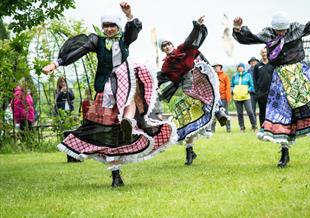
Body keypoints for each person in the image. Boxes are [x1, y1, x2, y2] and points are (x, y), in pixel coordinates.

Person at [42, 2, 175, 187]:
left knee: (129, 98)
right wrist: (57, 63)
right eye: (106, 26)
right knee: (110, 134)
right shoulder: (98, 41)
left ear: (118, 26)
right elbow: (79, 48)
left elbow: (133, 31)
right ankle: (115, 175)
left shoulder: (124, 40)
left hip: (125, 83)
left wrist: (129, 15)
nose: (109, 29)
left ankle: (127, 120)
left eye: (112, 25)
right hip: (105, 90)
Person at [232, 1, 310, 168]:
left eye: (283, 29)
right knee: (283, 115)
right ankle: (284, 153)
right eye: (279, 30)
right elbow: (250, 38)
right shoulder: (268, 34)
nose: (282, 32)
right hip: (280, 77)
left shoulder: (296, 29)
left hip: (299, 72)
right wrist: (238, 29)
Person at [158, 16, 223, 165]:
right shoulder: (167, 65)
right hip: (188, 92)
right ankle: (189, 152)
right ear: (162, 49)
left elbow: (190, 39)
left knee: (210, 100)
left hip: (201, 84)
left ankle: (220, 112)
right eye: (163, 46)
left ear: (172, 44)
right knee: (187, 121)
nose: (167, 47)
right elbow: (165, 79)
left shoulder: (183, 49)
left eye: (168, 44)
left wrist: (197, 26)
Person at [231, 63, 257, 132]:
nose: (240, 68)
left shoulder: (248, 75)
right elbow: (232, 85)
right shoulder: (234, 76)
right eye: (239, 67)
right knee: (239, 113)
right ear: (237, 68)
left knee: (250, 112)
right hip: (237, 97)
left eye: (241, 67)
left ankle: (254, 126)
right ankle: (242, 127)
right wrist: (233, 90)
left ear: (243, 68)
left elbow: (252, 85)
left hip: (246, 97)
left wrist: (248, 90)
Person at [253, 48, 274, 127]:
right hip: (261, 93)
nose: (264, 54)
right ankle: (263, 127)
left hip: (272, 93)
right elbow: (254, 80)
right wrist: (257, 92)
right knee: (262, 111)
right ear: (260, 54)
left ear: (267, 53)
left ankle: (272, 127)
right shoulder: (257, 66)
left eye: (265, 52)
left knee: (272, 111)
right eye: (262, 52)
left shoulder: (272, 64)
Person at [211, 63, 231, 133]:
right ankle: (212, 129)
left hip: (223, 98)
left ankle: (228, 129)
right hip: (215, 99)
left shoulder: (225, 76)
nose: (216, 68)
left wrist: (228, 98)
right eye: (214, 67)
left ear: (220, 67)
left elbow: (228, 88)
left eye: (217, 66)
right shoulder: (212, 76)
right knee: (213, 113)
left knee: (225, 113)